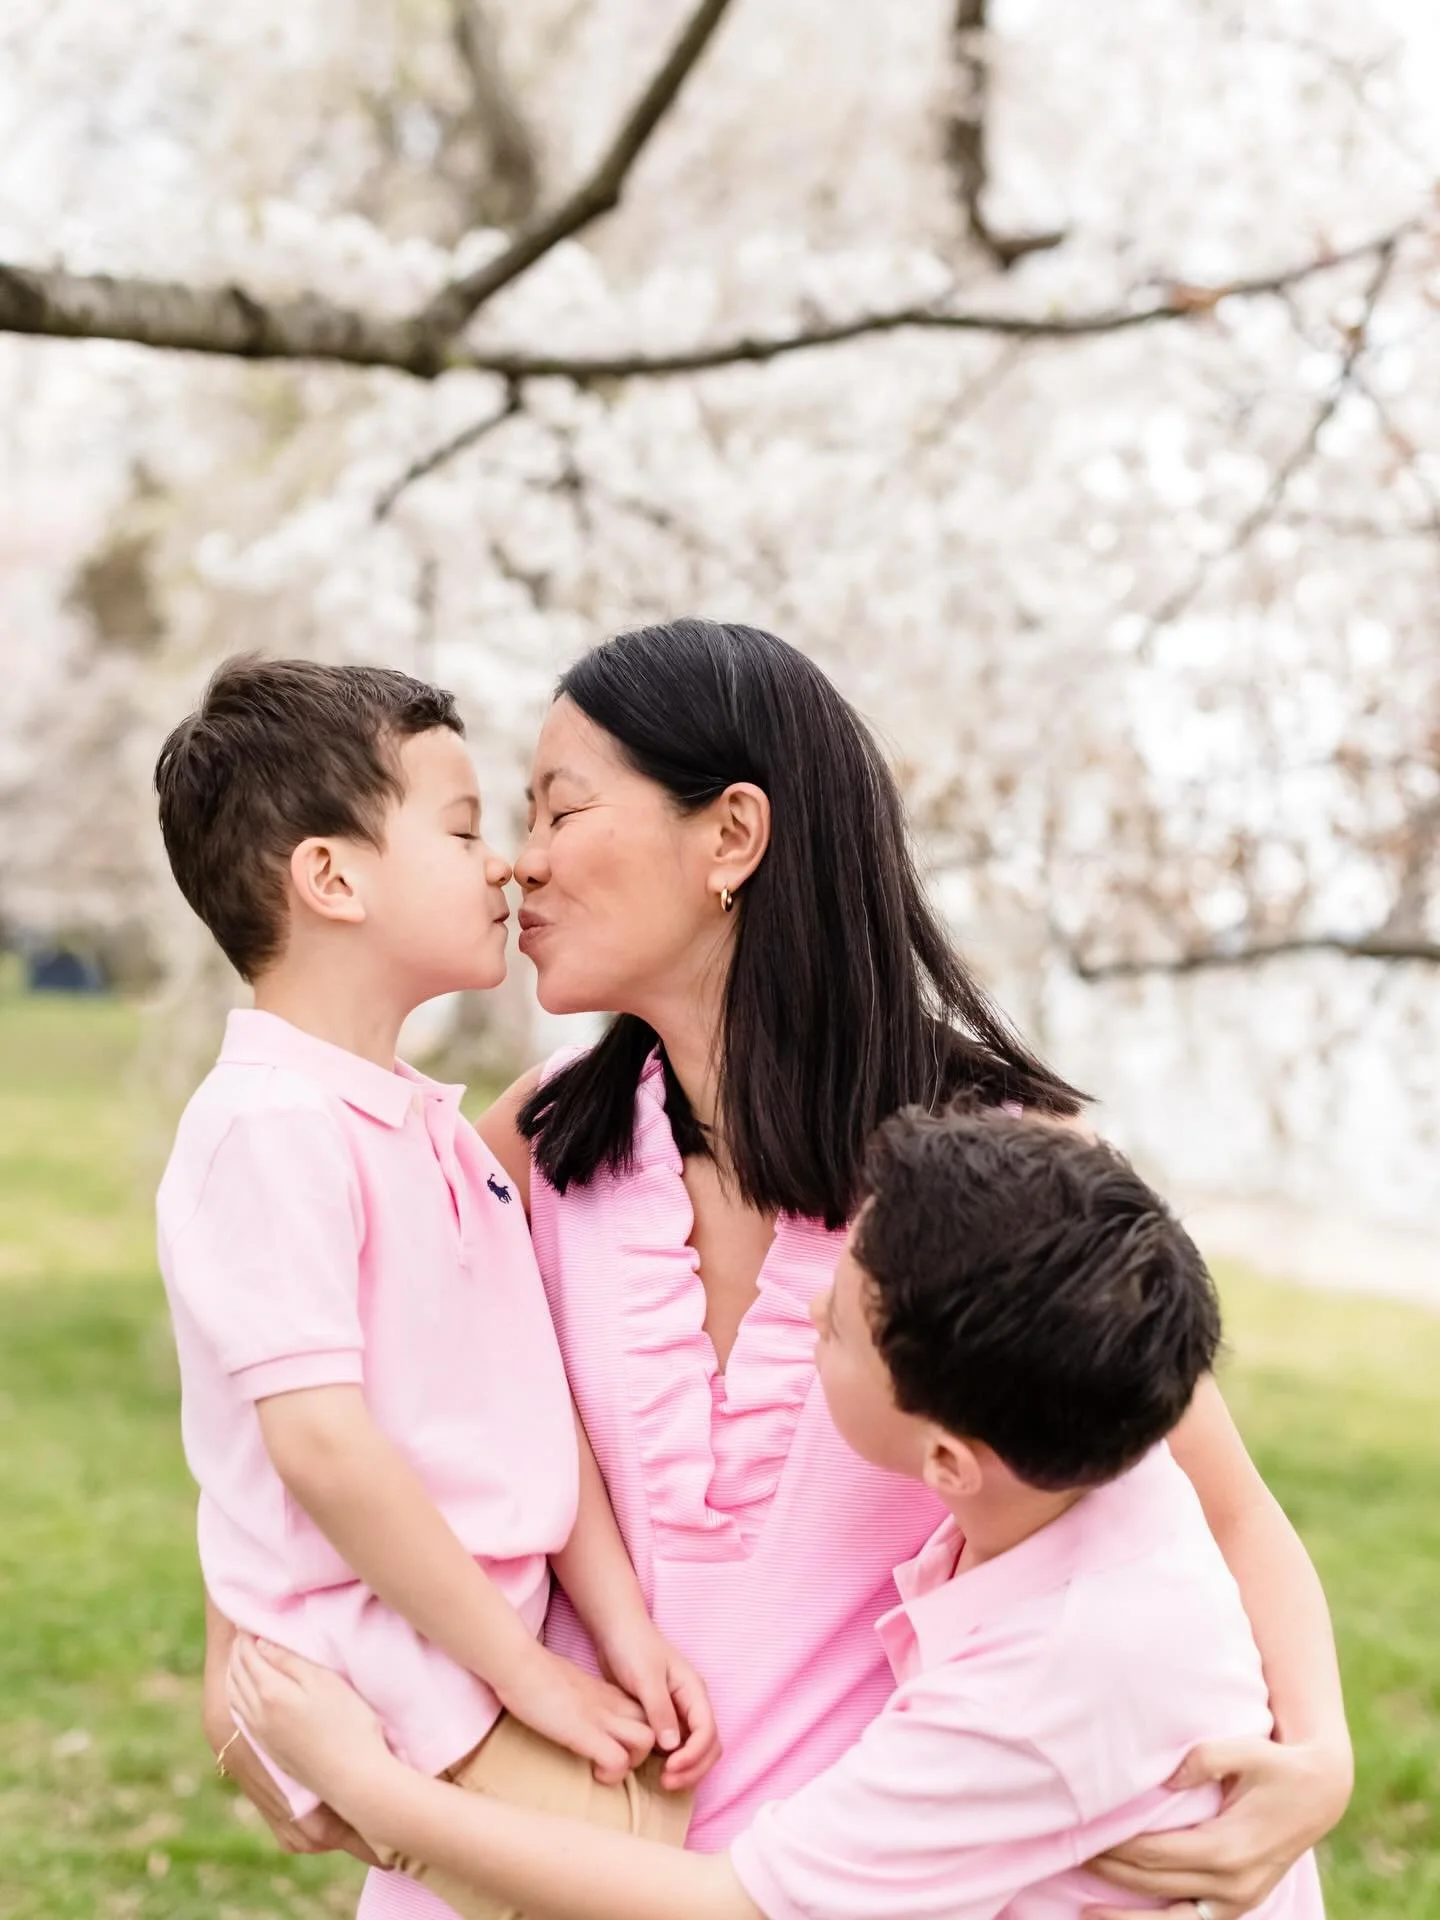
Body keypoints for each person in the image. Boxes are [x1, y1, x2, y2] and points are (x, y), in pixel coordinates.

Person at [206, 621, 1352, 1920]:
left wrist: (1316, 1759)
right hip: (557, 1833)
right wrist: (235, 1658)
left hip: (843, 1875)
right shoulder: (531, 1142)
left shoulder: (1007, 1173)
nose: (519, 863)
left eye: (559, 808)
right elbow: (298, 1385)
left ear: (731, 839)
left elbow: (1225, 1509)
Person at [229, 1107, 1326, 1920]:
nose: (806, 1301)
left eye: (839, 1327)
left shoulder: (1051, 1684)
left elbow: (726, 1909)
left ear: (947, 1459)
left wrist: (372, 1789)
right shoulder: (1084, 1435)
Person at [154, 657, 717, 1919]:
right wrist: (526, 1672)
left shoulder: (428, 1129)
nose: (508, 865)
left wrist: (618, 1623)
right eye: (463, 829)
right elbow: (324, 1452)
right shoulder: (270, 1129)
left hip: (466, 1647)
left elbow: (530, 1395)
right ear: (332, 878)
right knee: (656, 1875)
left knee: (664, 1830)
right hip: (380, 1662)